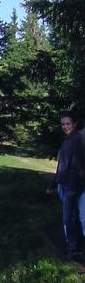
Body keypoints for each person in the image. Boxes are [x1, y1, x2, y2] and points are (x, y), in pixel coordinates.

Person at [54, 112, 85, 261]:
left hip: (71, 186)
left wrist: (72, 188)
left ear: (74, 124)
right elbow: (62, 164)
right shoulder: (67, 140)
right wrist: (53, 183)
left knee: (70, 219)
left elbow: (77, 166)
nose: (65, 126)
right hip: (63, 184)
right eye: (63, 124)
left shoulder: (77, 140)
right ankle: (76, 248)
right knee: (71, 217)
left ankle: (74, 249)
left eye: (68, 123)